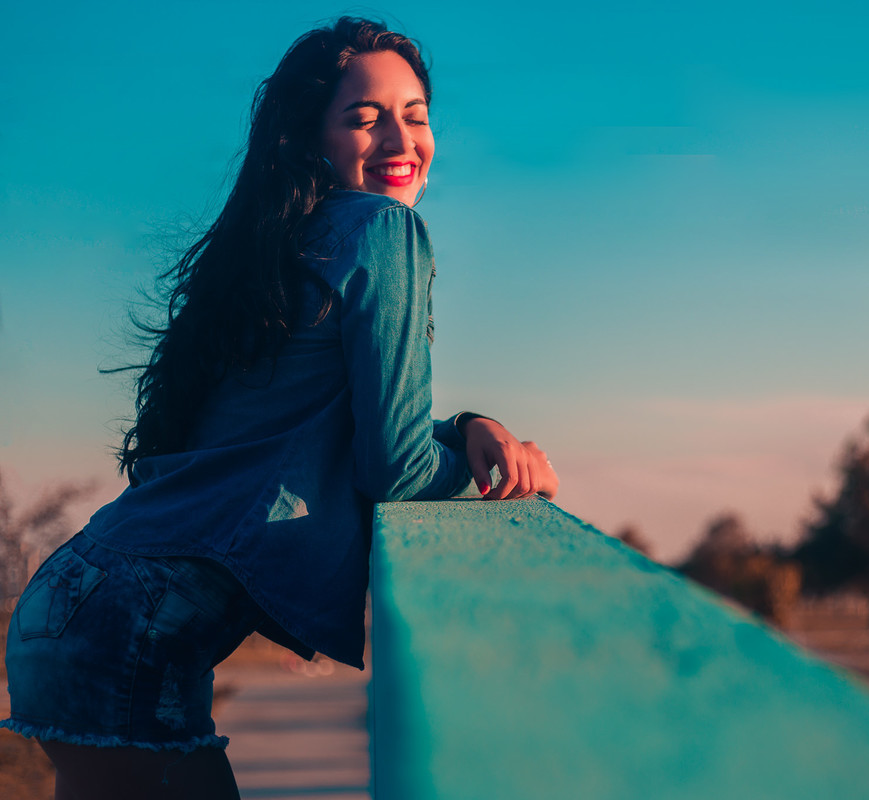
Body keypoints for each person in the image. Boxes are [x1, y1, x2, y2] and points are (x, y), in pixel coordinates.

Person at [2, 17, 556, 799]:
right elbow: (394, 466)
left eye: (416, 115)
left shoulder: (275, 244)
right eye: (365, 118)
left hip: (76, 600)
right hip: (135, 630)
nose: (401, 139)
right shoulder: (383, 229)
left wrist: (467, 428)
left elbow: (329, 425)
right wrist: (500, 478)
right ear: (308, 138)